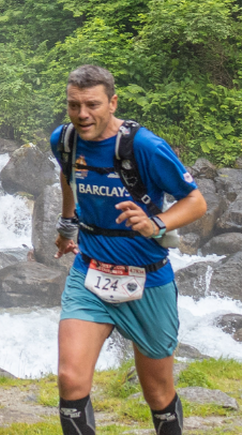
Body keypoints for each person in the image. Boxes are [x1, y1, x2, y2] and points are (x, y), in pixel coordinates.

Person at [52, 65, 207, 435]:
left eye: (92, 105)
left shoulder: (145, 147)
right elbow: (68, 174)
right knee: (70, 378)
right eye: (74, 105)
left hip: (147, 278)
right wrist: (66, 224)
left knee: (157, 391)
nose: (82, 115)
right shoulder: (64, 140)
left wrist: (157, 223)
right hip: (90, 272)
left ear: (112, 102)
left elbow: (196, 201)